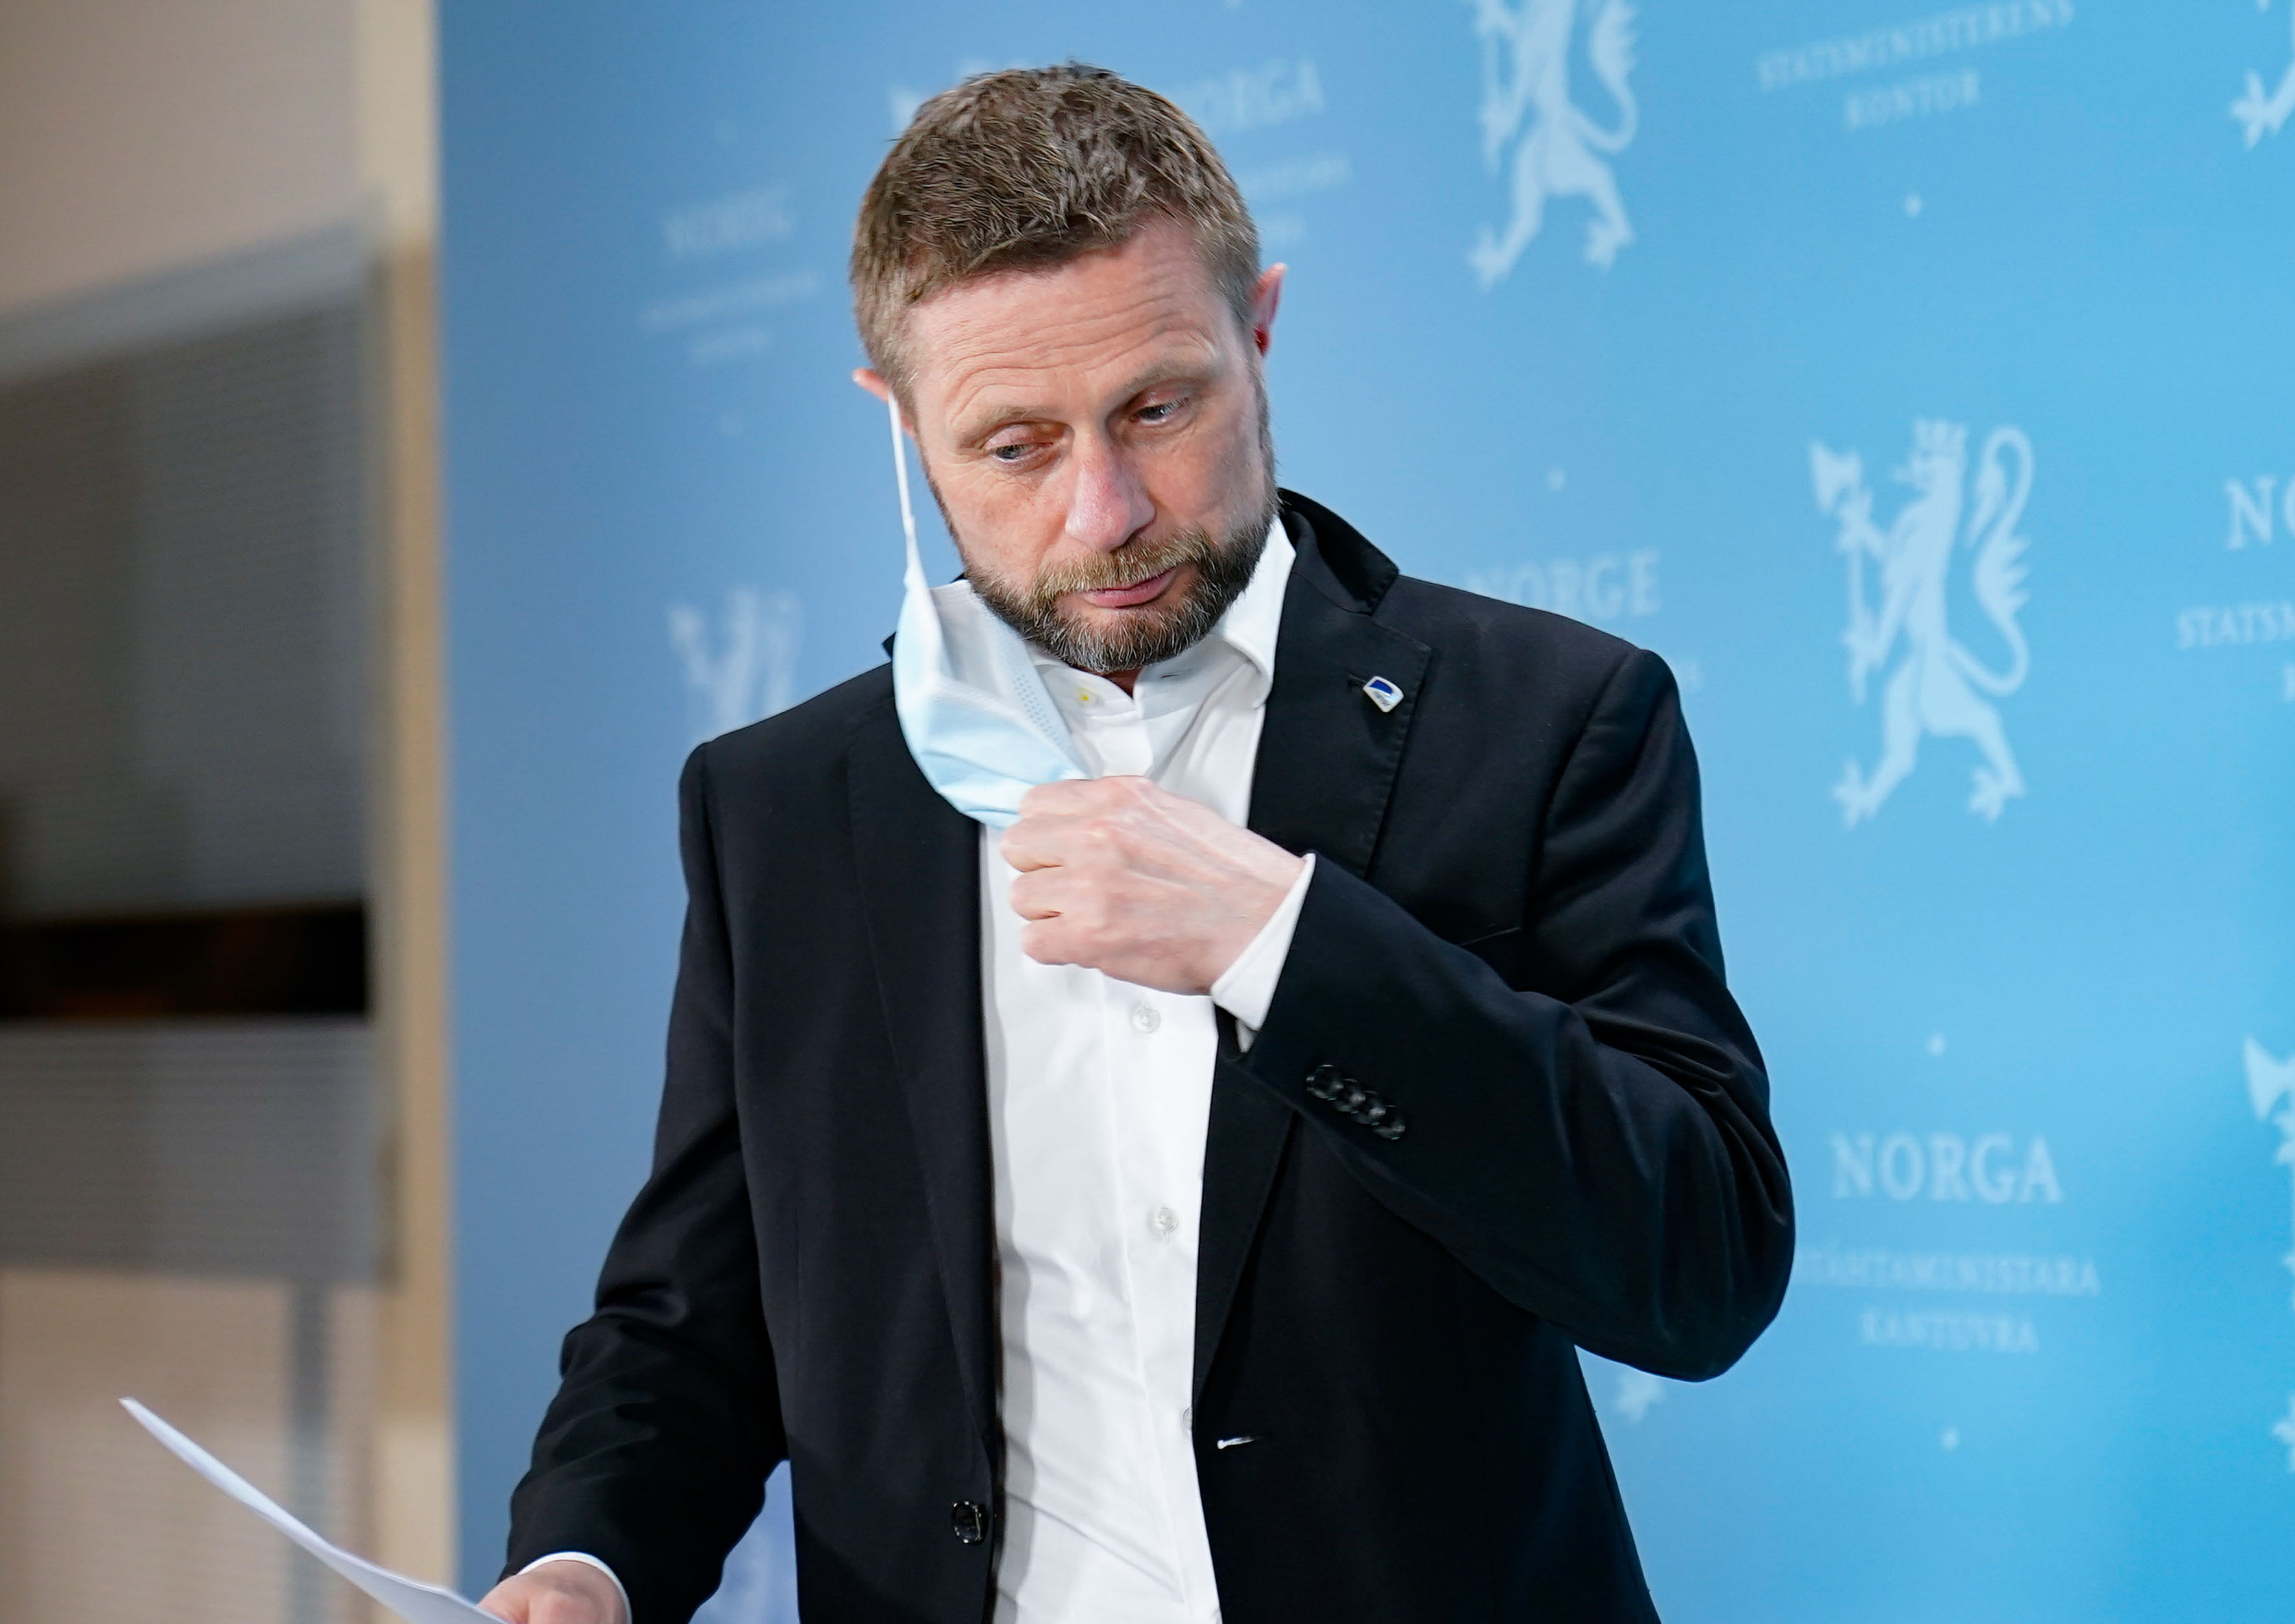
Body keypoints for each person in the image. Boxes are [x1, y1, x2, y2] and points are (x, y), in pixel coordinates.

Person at [480, 63, 1791, 1624]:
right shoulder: (782, 805)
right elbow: (694, 1318)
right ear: (897, 421)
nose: (1103, 513)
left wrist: (1286, 945)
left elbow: (1701, 1266)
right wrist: (583, 1563)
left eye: (1158, 409)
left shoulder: (1549, 718)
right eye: (1013, 445)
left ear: (1260, 331)